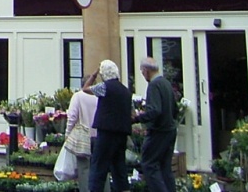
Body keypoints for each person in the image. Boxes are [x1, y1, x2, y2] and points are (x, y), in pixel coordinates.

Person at [83, 59, 132, 192]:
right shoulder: (126, 91)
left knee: (99, 166)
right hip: (121, 133)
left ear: (103, 74)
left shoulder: (105, 87)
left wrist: (93, 75)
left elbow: (85, 89)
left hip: (106, 132)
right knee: (119, 166)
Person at [134, 57, 178, 192]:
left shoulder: (154, 85)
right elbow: (175, 109)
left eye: (142, 72)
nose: (143, 75)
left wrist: (138, 117)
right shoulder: (166, 83)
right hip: (170, 130)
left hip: (158, 132)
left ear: (146, 71)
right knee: (165, 168)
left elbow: (155, 110)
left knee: (149, 164)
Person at [66, 81, 99, 192]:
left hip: (83, 137)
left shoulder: (78, 96)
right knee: (101, 168)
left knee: (84, 168)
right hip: (99, 136)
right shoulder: (99, 97)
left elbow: (72, 116)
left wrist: (68, 133)